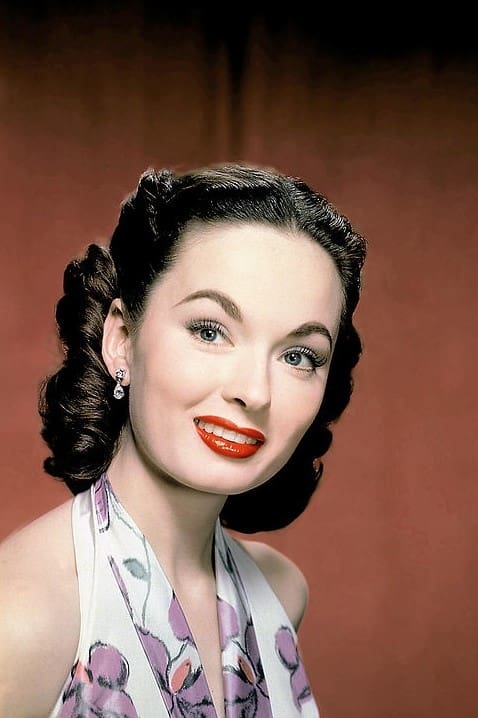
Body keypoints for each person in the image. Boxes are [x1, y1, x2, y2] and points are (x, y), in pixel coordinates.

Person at [0, 162, 366, 717]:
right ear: (122, 338)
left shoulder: (280, 592)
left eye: (298, 356)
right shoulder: (21, 617)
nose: (254, 391)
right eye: (209, 330)